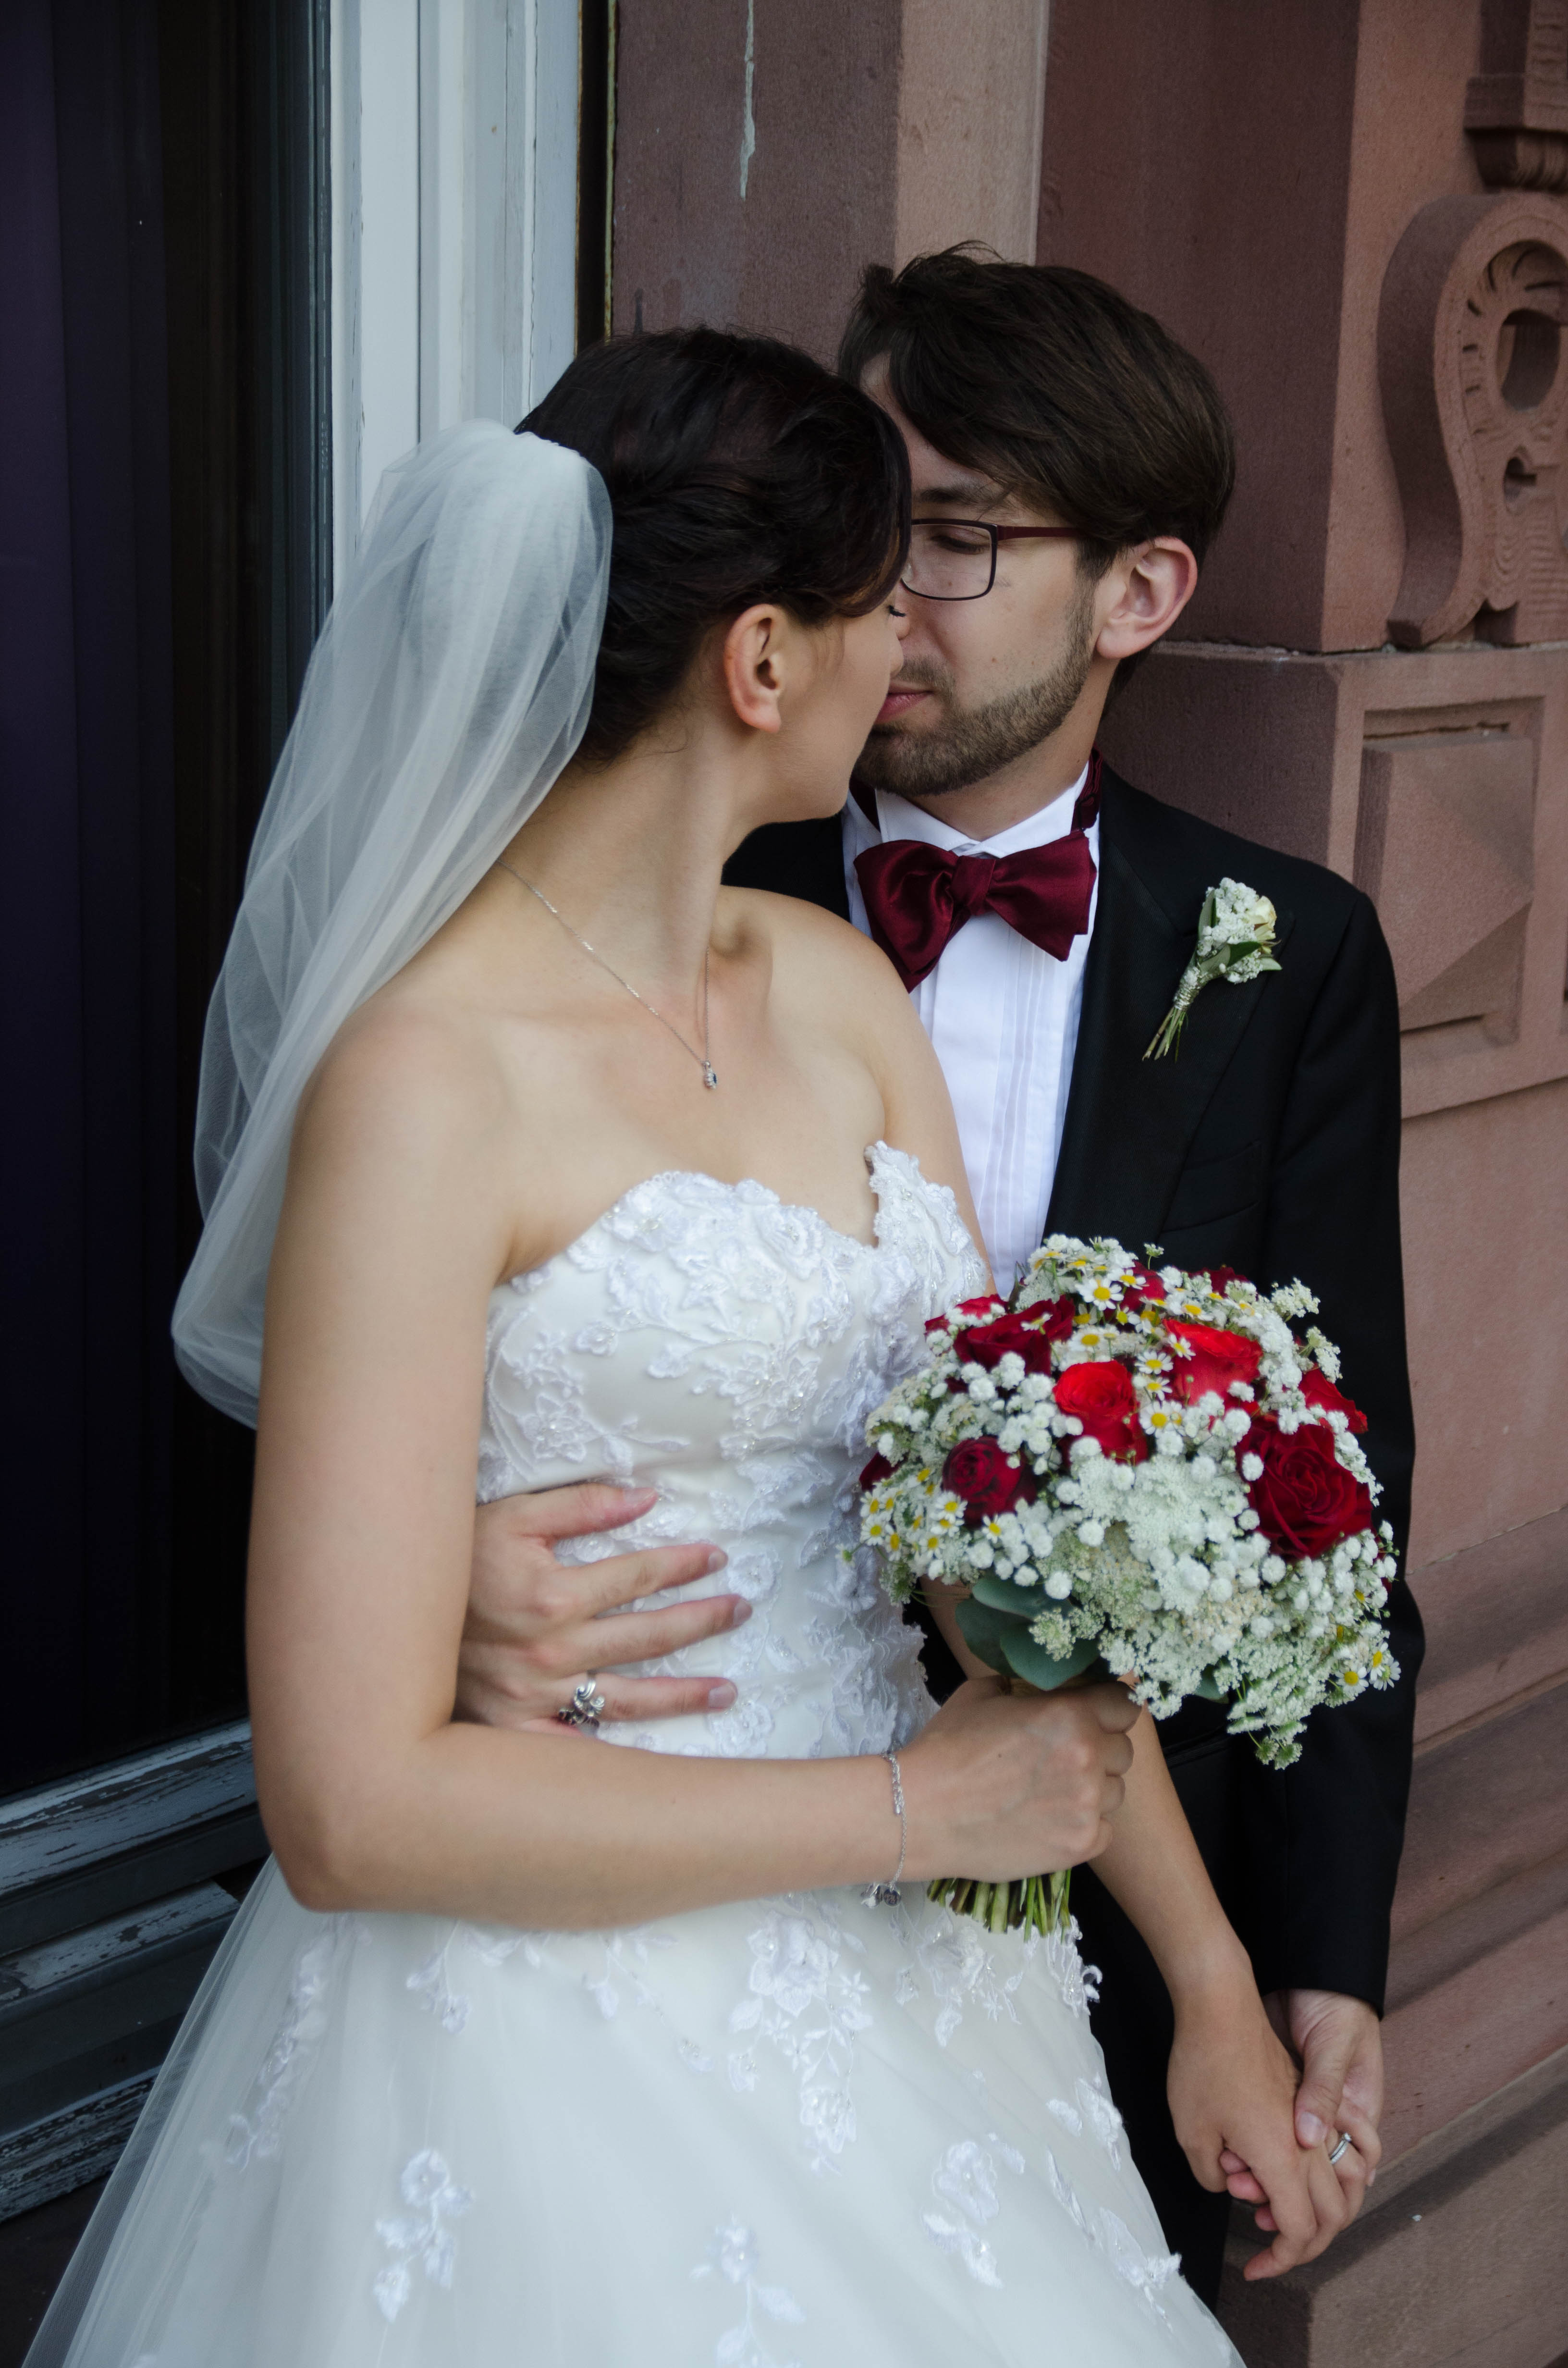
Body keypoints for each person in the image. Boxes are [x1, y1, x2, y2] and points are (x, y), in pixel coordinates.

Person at [29, 330, 1333, 2367]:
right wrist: (912, 1813)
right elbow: (350, 1809)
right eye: (877, 600)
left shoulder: (833, 986)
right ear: (761, 661)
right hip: (563, 2018)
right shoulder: (427, 1078)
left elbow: (993, 1536)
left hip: (934, 1991)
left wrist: (1216, 1983)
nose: (907, 644)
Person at [447, 254, 1424, 2311]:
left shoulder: (1290, 952)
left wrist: (1312, 1961)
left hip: (1099, 1924)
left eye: (959, 538)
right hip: (642, 1873)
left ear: (1137, 593)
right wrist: (441, 1583)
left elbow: (1338, 1503)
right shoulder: (669, 875)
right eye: (871, 525)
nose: (891, 595)